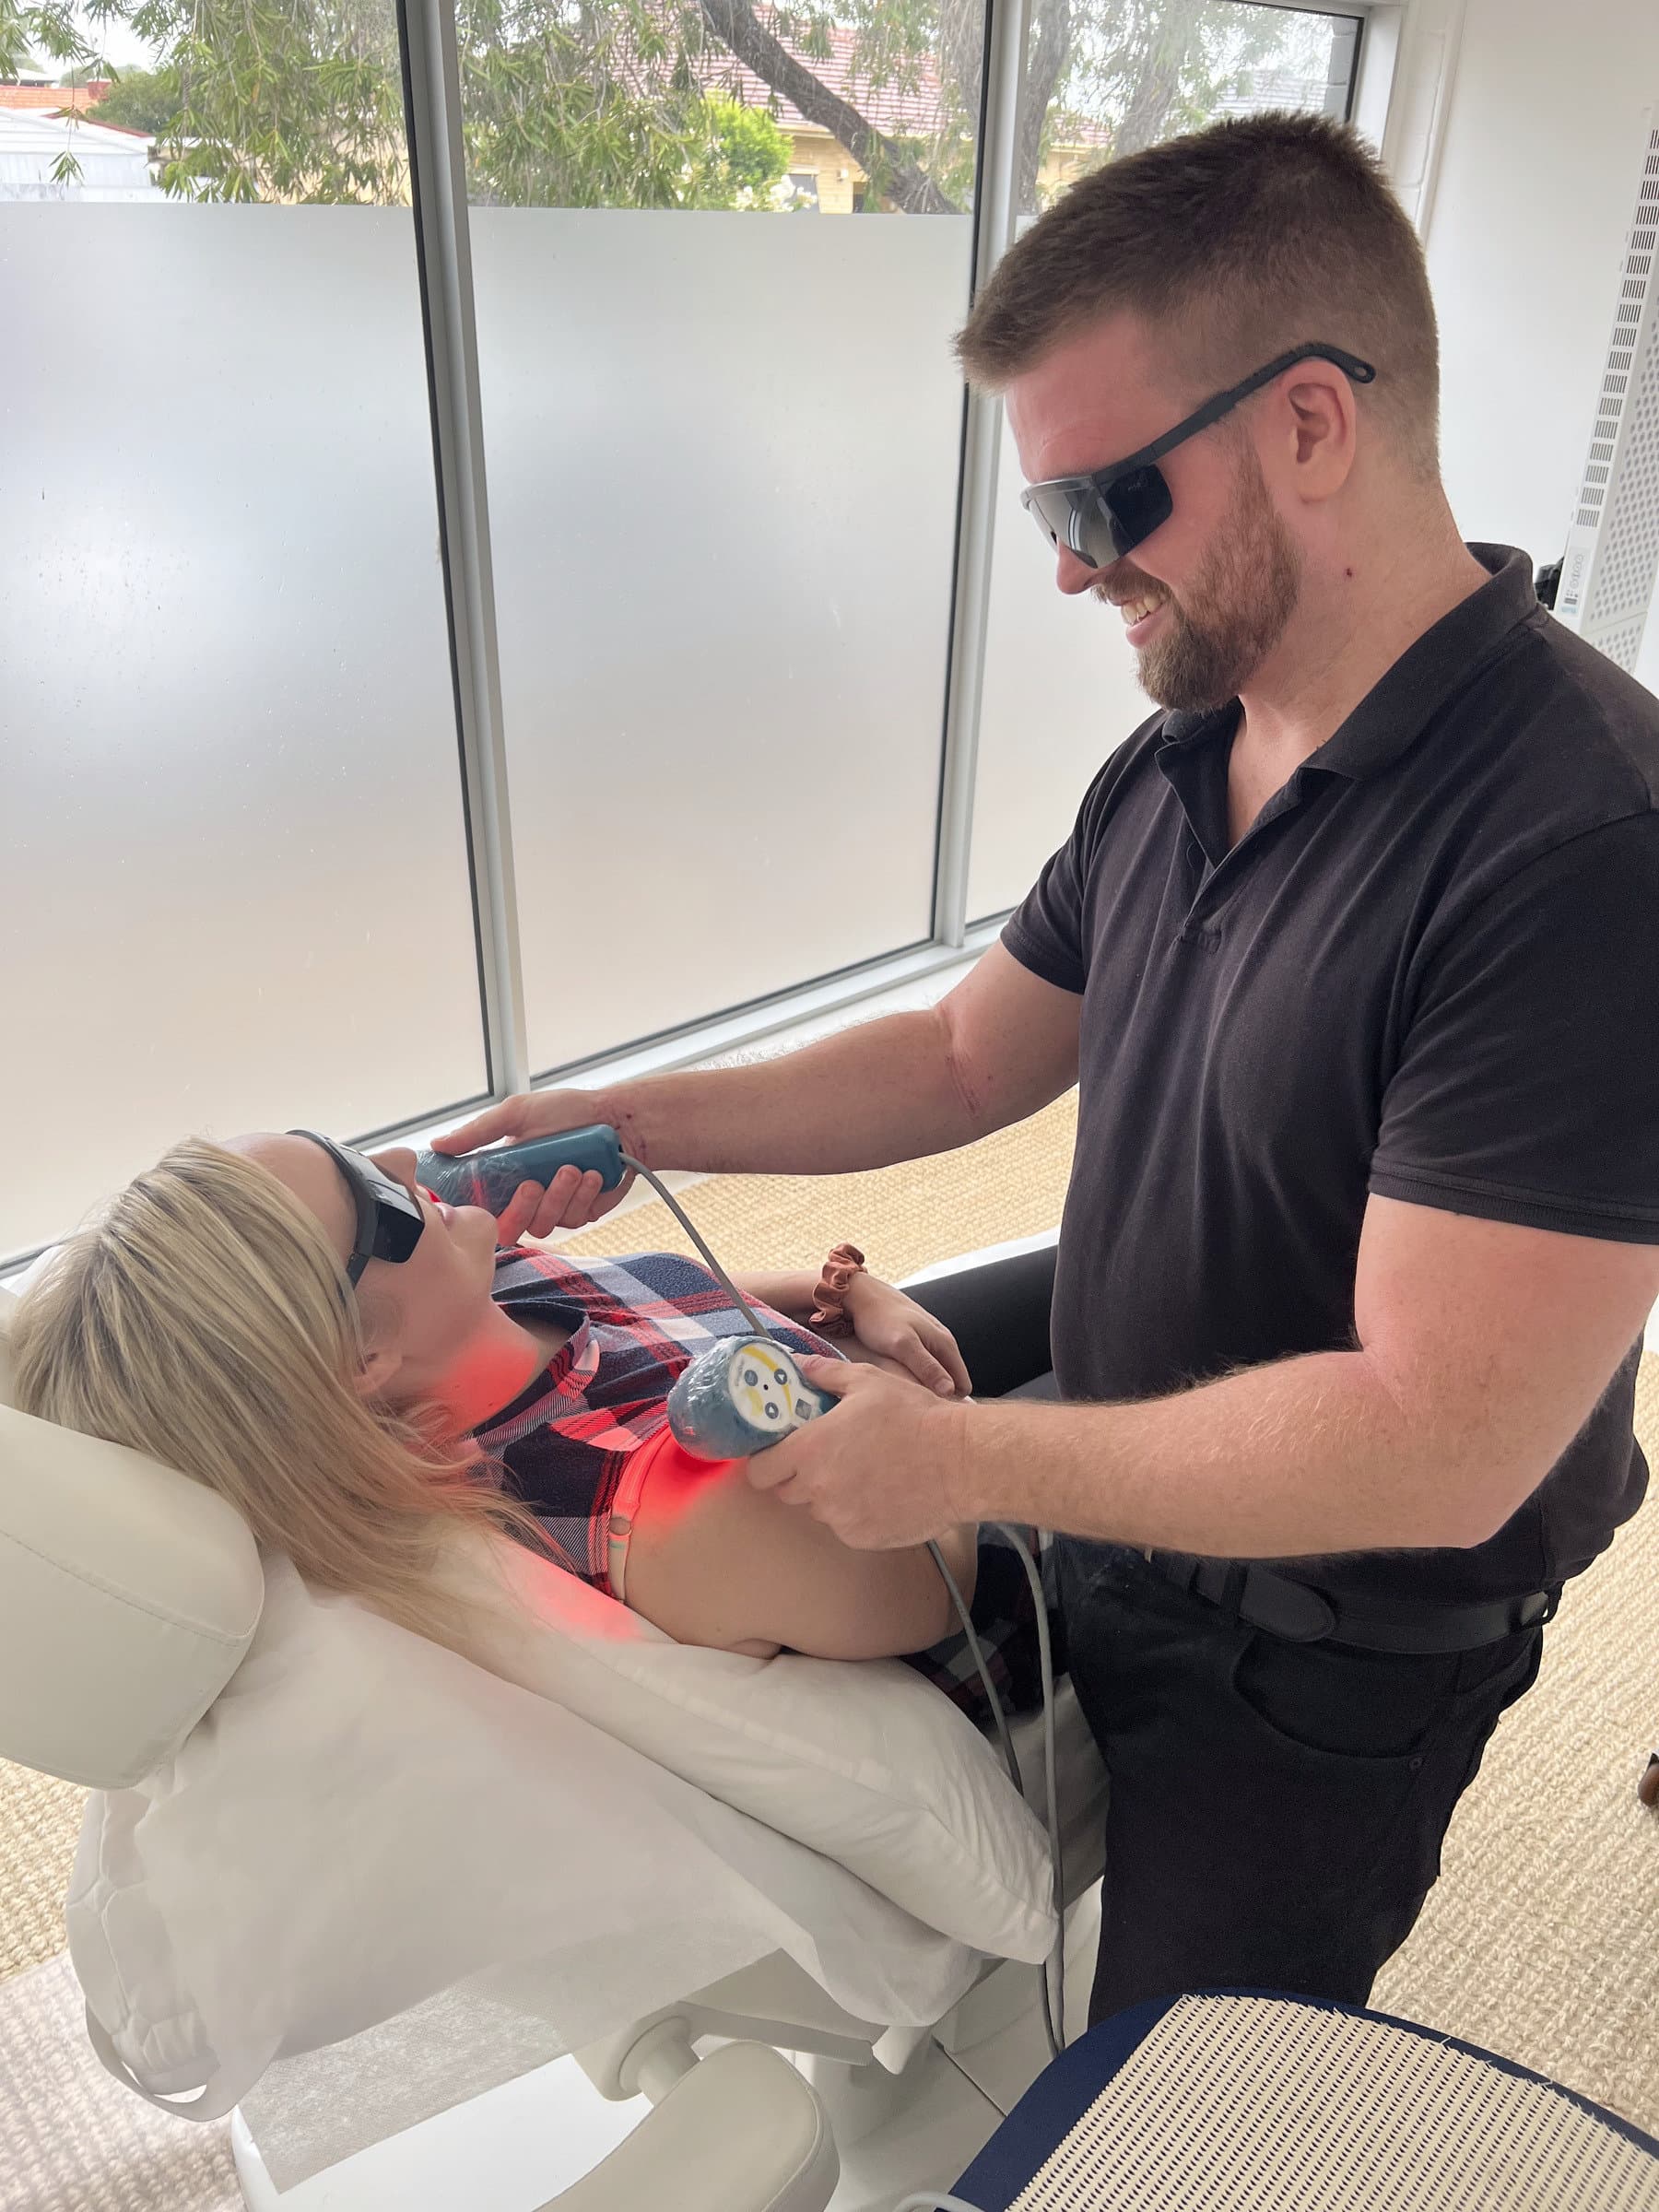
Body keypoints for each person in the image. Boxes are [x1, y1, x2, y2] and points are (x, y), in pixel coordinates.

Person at [432, 112, 1659, 2021]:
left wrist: (962, 1458)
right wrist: (636, 1118)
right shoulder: (1188, 752)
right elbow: (955, 1057)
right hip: (1120, 1453)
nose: (1078, 576)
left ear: (1311, 424)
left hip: (1327, 1643)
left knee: (1167, 2108)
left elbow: (1441, 1442)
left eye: (1106, 505)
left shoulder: (1582, 853)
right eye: (1050, 522)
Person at [11, 1132, 1050, 1715]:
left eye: (355, 1151)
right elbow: (934, 1586)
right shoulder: (659, 1513)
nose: (409, 1164)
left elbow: (674, 1291)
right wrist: (911, 1406)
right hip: (1035, 1563)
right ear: (359, 1358)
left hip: (895, 1385)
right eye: (379, 1200)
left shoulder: (489, 1295)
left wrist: (845, 1291)